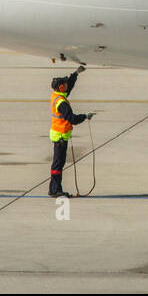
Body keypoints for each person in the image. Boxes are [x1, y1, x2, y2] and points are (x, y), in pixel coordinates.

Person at [49, 68, 93, 198]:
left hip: (58, 134)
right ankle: (55, 190)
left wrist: (75, 74)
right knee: (58, 164)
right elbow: (72, 119)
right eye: (65, 84)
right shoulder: (62, 103)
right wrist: (85, 116)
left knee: (58, 163)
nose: (67, 86)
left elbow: (69, 87)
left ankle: (54, 188)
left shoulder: (56, 96)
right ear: (61, 87)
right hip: (61, 136)